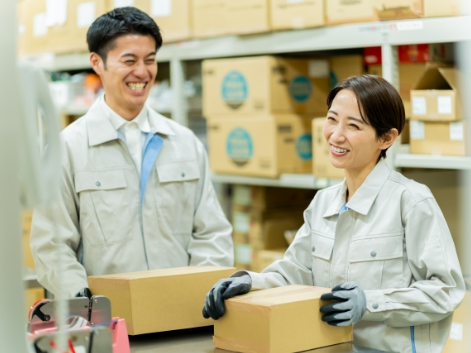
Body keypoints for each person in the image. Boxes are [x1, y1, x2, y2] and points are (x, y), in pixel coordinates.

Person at [202, 75, 465, 353]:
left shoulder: (410, 201)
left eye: (353, 125)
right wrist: (248, 282)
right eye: (332, 119)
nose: (336, 135)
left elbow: (446, 290)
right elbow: (295, 273)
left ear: (386, 138)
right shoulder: (323, 202)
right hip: (328, 347)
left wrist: (371, 303)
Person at [30, 7, 233, 298]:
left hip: (182, 314)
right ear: (97, 63)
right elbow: (51, 244)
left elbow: (212, 233)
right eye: (129, 60)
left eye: (150, 60)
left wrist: (202, 293)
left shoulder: (184, 143)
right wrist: (82, 300)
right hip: (106, 322)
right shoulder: (67, 149)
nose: (142, 71)